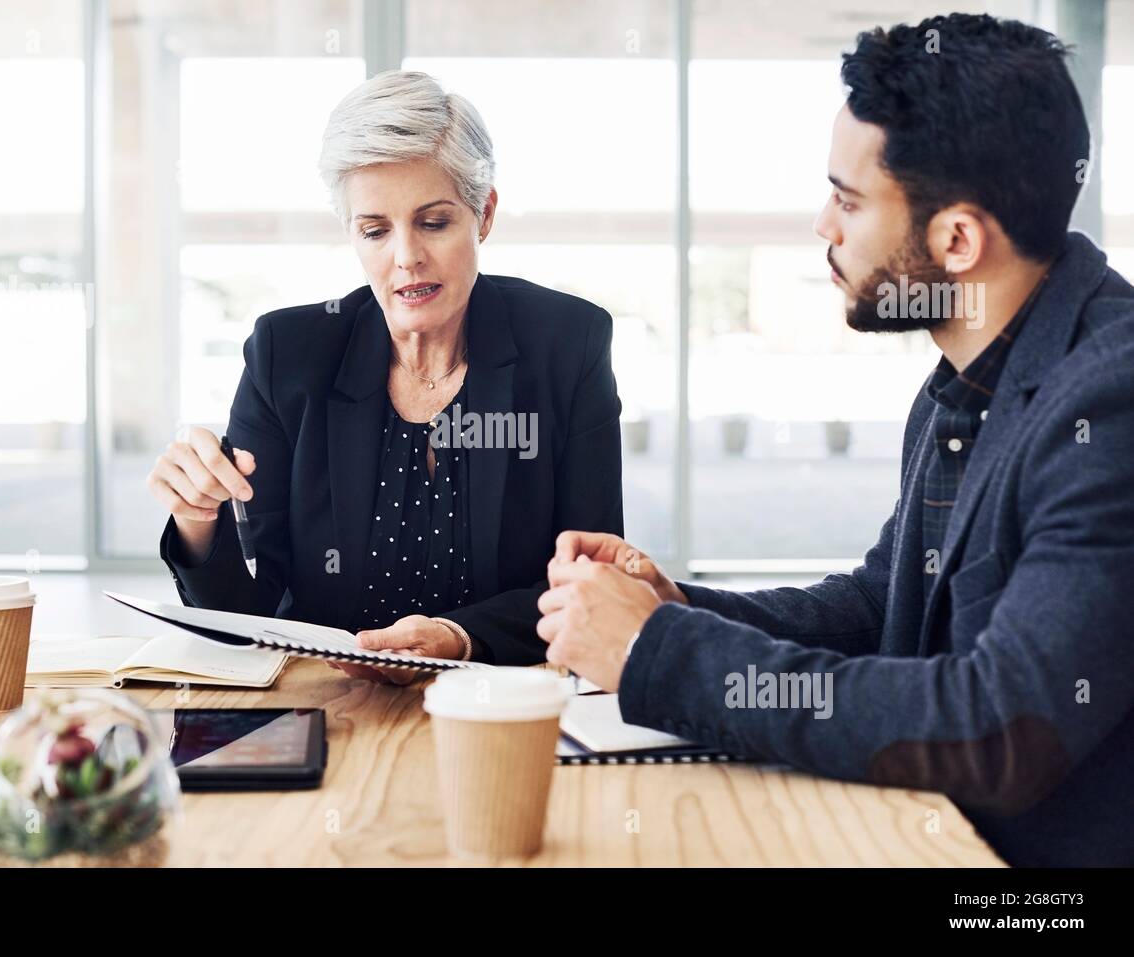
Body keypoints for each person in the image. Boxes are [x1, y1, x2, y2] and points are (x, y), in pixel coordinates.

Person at [538, 14, 1134, 866]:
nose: (824, 224)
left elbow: (1006, 727)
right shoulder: (965, 383)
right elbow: (879, 607)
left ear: (956, 239)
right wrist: (675, 605)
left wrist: (654, 650)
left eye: (849, 200)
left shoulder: (1110, 400)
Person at [147, 71, 623, 681]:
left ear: (484, 215)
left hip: (503, 699)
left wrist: (459, 636)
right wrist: (197, 519)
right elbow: (244, 612)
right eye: (375, 230)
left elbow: (593, 581)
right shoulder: (286, 353)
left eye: (433, 222)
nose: (405, 257)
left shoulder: (568, 342)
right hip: (331, 702)